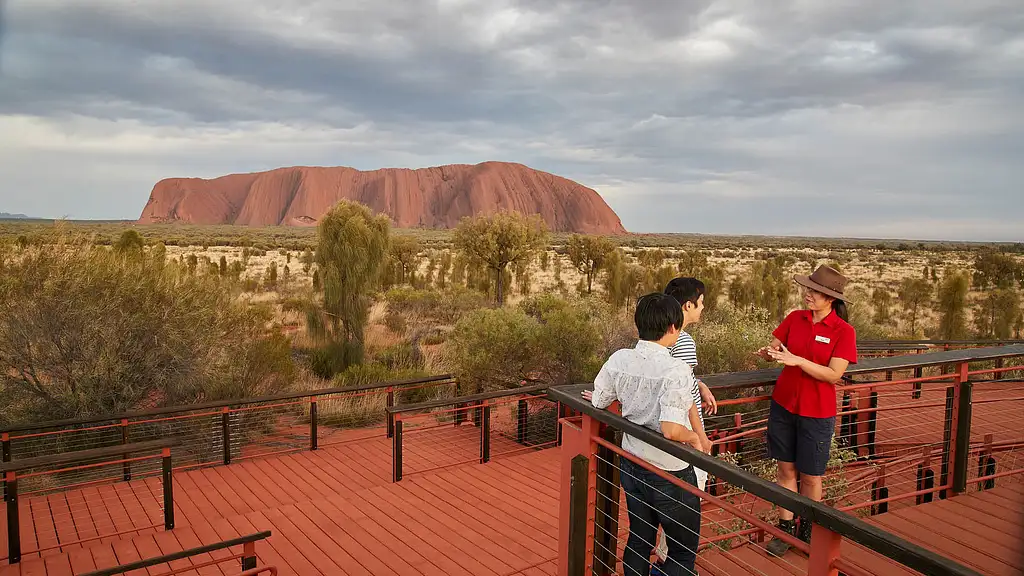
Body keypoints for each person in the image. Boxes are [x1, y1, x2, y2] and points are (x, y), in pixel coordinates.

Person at [584, 292, 708, 576]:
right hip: (669, 470)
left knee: (640, 539)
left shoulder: (620, 359)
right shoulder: (676, 369)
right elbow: (671, 429)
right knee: (681, 551)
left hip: (632, 460)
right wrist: (695, 439)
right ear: (673, 328)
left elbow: (600, 399)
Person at [756, 265, 857, 556]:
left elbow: (834, 374)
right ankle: (786, 528)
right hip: (784, 405)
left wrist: (797, 361)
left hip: (817, 412)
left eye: (815, 291)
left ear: (831, 299)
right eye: (809, 288)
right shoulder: (795, 319)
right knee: (785, 469)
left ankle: (808, 530)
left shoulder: (843, 331)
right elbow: (777, 347)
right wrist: (769, 353)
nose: (808, 294)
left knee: (811, 476)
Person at [652, 277, 719, 569]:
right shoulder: (685, 340)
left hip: (657, 435)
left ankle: (659, 565)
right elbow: (684, 398)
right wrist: (700, 438)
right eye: (701, 303)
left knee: (657, 515)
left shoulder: (656, 336)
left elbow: (677, 380)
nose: (703, 308)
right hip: (682, 434)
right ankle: (671, 567)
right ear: (688, 305)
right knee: (684, 514)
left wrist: (699, 383)